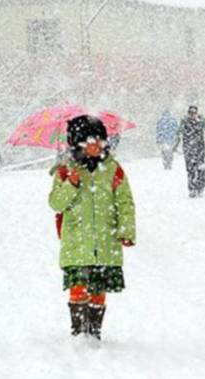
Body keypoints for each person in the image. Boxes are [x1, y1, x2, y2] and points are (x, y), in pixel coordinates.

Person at [48, 115, 136, 343]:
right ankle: (79, 332)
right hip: (77, 242)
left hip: (105, 241)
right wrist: (71, 184)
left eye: (100, 140)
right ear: (78, 143)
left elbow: (125, 201)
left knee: (98, 287)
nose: (97, 146)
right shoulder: (66, 171)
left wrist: (126, 230)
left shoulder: (113, 169)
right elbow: (56, 203)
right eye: (90, 141)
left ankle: (94, 331)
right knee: (78, 286)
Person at [173, 105, 205, 197]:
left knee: (200, 168)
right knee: (190, 169)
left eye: (194, 113)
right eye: (190, 113)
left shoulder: (202, 121)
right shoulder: (184, 121)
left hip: (199, 148)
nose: (192, 115)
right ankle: (192, 188)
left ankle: (200, 187)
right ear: (188, 113)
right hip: (188, 148)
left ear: (197, 113)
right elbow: (178, 133)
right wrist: (175, 145)